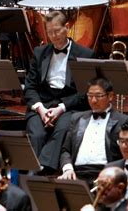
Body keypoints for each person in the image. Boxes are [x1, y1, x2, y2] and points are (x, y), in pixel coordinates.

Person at [25, 11, 95, 174]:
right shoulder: (39, 52)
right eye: (49, 32)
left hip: (69, 106)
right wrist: (41, 109)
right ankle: (39, 171)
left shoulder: (85, 54)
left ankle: (38, 171)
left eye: (57, 30)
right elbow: (30, 87)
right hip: (42, 104)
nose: (53, 36)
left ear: (67, 28)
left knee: (63, 129)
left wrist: (61, 108)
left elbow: (84, 93)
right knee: (36, 134)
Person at [58, 77, 128, 185]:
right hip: (76, 173)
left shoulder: (123, 121)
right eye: (90, 96)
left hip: (106, 174)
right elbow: (66, 150)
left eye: (98, 96)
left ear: (110, 96)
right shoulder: (76, 118)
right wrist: (68, 169)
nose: (93, 100)